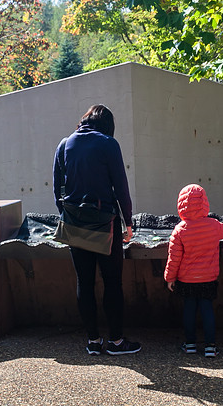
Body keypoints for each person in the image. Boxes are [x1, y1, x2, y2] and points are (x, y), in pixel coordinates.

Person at [53, 104, 141, 356]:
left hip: (74, 223)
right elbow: (120, 188)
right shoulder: (108, 145)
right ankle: (115, 342)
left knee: (85, 282)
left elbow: (58, 187)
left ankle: (93, 341)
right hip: (105, 224)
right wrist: (128, 221)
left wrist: (67, 214)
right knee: (112, 282)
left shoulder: (64, 144)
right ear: (108, 126)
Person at [164, 184, 223, 358]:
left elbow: (174, 257)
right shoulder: (214, 225)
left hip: (186, 279)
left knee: (189, 310)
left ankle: (190, 344)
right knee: (207, 309)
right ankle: (210, 346)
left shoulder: (179, 230)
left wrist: (170, 278)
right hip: (208, 277)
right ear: (204, 203)